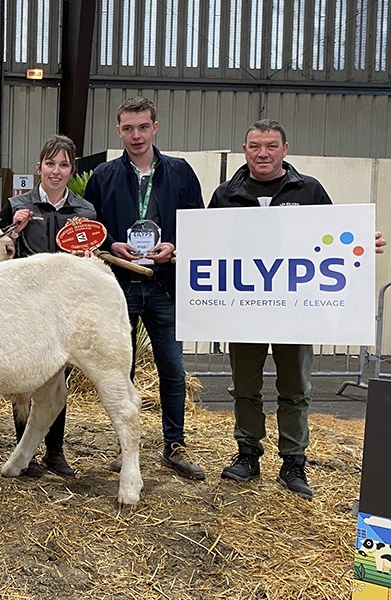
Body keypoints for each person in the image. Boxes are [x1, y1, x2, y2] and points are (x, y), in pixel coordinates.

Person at [210, 119, 386, 500]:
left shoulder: (309, 190)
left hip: (296, 310)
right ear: (245, 150)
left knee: (295, 390)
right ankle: (248, 454)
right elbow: (211, 246)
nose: (263, 153)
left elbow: (336, 235)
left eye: (271, 145)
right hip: (245, 310)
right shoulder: (226, 193)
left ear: (285, 149)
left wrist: (359, 240)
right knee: (244, 387)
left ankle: (293, 462)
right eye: (255, 146)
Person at [83, 97, 207, 480]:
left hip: (164, 287)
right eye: (128, 128)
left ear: (155, 127)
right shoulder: (102, 177)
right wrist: (110, 245)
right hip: (119, 287)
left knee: (173, 367)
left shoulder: (181, 173)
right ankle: (128, 445)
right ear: (118, 131)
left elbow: (198, 225)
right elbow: (91, 232)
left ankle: (175, 445)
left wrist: (175, 245)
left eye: (143, 127)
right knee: (122, 371)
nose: (136, 136)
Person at [0, 134, 96, 478]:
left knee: (57, 384)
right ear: (38, 168)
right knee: (24, 383)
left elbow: (88, 260)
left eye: (64, 165)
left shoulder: (84, 211)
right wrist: (12, 230)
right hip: (25, 308)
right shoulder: (18, 205)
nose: (56, 171)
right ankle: (25, 456)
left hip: (63, 311)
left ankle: (56, 452)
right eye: (50, 164)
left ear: (72, 170)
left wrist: (89, 258)